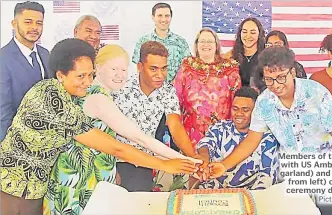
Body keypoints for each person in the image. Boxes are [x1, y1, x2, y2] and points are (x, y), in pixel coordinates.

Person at [0, 38, 197, 215]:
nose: (87, 82)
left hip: (38, 188)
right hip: (14, 188)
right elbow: (115, 147)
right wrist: (165, 164)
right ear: (60, 75)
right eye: (81, 76)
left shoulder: (57, 90)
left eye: (90, 75)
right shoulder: (55, 100)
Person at [209, 46, 332, 215]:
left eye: (281, 77)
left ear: (293, 72)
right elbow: (252, 140)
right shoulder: (264, 102)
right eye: (269, 79)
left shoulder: (317, 93)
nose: (275, 85)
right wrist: (224, 165)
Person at [113, 41, 206, 192]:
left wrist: (193, 157)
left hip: (145, 162)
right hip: (117, 158)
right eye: (153, 69)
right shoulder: (120, 87)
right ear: (140, 67)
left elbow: (175, 125)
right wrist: (111, 167)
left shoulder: (167, 91)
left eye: (164, 69)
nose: (160, 75)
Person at [196, 87, 280, 190]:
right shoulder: (220, 127)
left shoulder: (267, 138)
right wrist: (204, 159)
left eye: (245, 110)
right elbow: (206, 145)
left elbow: (267, 176)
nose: (239, 114)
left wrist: (249, 200)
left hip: (250, 193)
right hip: (216, 190)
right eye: (235, 109)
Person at [174, 27, 241, 147]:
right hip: (190, 132)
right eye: (202, 41)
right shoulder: (187, 67)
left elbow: (237, 100)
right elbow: (176, 98)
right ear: (196, 45)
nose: (206, 45)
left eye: (210, 41)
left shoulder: (230, 69)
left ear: (216, 45)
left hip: (221, 132)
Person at [0, 1, 53, 141]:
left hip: (47, 140)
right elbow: (3, 110)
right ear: (14, 23)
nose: (34, 28)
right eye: (28, 22)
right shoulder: (2, 58)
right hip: (17, 142)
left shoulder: (45, 54)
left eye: (39, 23)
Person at [132, 2, 190, 83]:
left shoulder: (180, 42)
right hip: (150, 90)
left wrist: (176, 84)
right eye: (159, 16)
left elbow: (187, 67)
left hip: (175, 90)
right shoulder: (143, 41)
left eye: (167, 16)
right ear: (153, 17)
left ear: (171, 17)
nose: (163, 19)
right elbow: (138, 68)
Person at [224, 17, 265, 87]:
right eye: (244, 32)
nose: (248, 36)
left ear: (259, 34)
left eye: (253, 32)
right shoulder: (229, 56)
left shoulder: (266, 55)